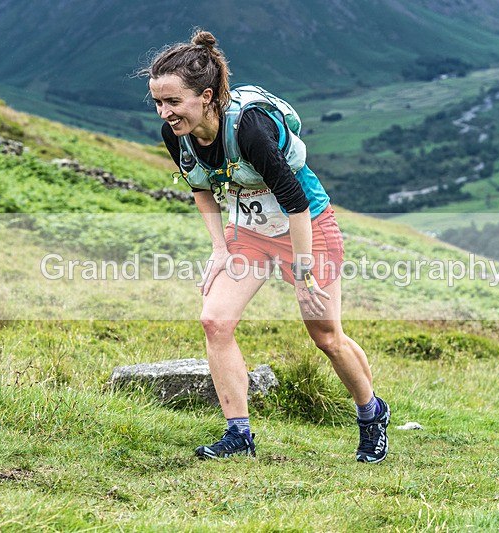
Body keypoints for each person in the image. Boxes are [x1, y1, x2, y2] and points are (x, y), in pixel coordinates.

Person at [139, 30, 390, 463]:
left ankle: (372, 414)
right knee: (215, 321)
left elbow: (294, 201)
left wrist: (305, 270)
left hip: (306, 227)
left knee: (325, 335)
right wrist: (219, 249)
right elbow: (200, 186)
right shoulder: (176, 133)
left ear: (207, 95)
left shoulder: (250, 128)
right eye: (158, 102)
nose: (165, 113)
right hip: (250, 233)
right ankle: (239, 435)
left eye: (173, 102)